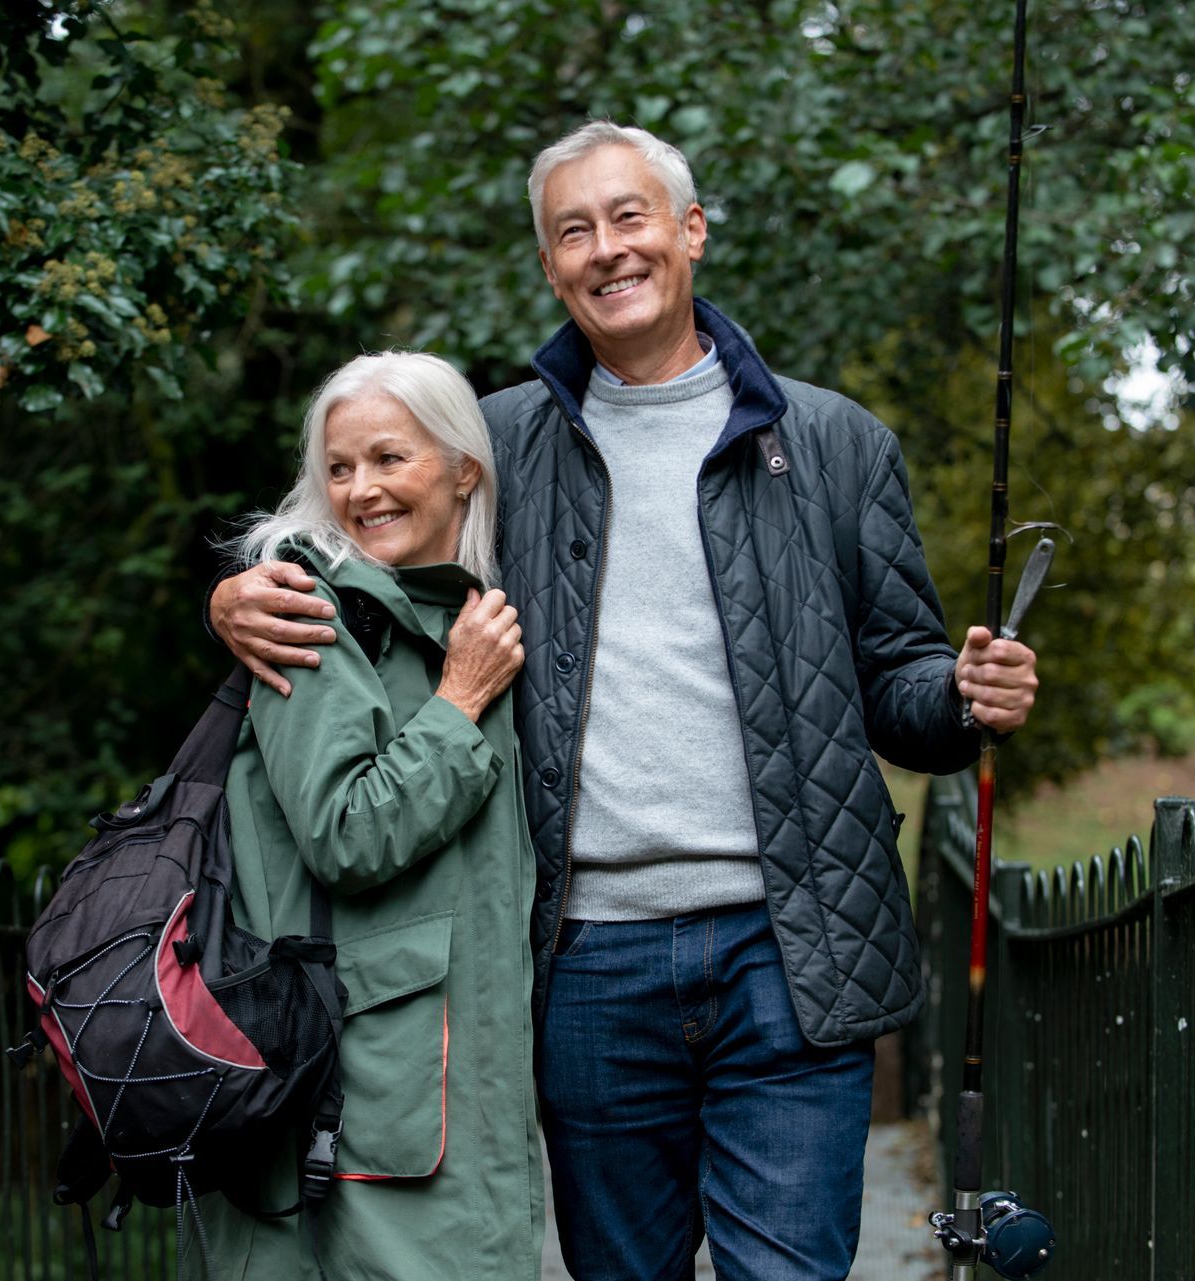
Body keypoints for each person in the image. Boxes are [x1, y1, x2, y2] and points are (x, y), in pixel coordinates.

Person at [211, 123, 1039, 1280]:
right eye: (573, 232)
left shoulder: (838, 443)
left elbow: (896, 684)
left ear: (690, 231)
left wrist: (960, 696)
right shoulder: (493, 445)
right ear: (550, 267)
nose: (607, 249)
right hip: (583, 961)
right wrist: (242, 591)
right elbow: (358, 533)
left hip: (790, 951)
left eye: (630, 217)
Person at [203, 351, 541, 1280]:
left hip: (443, 1098)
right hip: (360, 1108)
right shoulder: (307, 609)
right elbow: (347, 830)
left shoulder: (456, 611)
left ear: (464, 467)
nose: (362, 489)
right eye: (340, 469)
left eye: (390, 458)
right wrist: (459, 705)